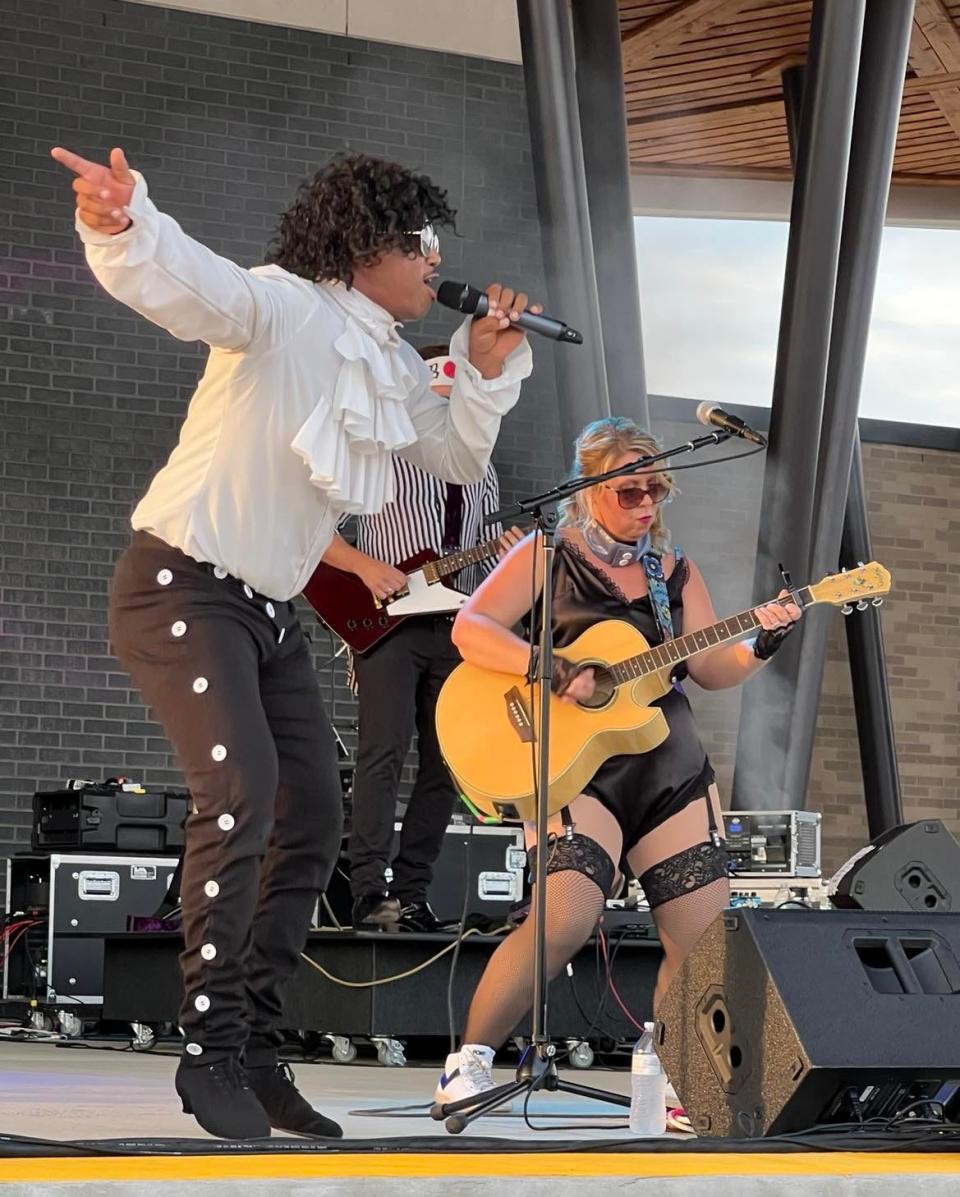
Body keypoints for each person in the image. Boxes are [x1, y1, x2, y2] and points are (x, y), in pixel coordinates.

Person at [50, 144, 536, 1139]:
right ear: (366, 246)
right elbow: (192, 286)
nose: (435, 260)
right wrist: (122, 220)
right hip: (181, 584)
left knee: (312, 814)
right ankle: (209, 1048)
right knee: (241, 799)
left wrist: (482, 374)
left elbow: (439, 452)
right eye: (420, 243)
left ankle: (259, 1046)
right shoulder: (277, 304)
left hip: (267, 610)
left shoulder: (392, 359)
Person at [435, 416, 801, 1104]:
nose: (646, 506)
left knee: (700, 940)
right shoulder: (549, 552)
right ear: (590, 487)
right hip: (573, 762)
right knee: (567, 913)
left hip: (666, 762)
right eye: (630, 491)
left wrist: (761, 643)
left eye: (655, 491)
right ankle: (470, 1060)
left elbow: (709, 666)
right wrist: (550, 664)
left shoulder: (671, 569)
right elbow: (469, 627)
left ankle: (665, 1075)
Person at [323, 343, 523, 933]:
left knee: (447, 765)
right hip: (389, 623)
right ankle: (368, 893)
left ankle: (411, 893)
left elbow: (480, 557)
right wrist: (366, 569)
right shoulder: (378, 454)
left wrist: (507, 558)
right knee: (381, 756)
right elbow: (313, 532)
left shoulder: (482, 464)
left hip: (459, 627)